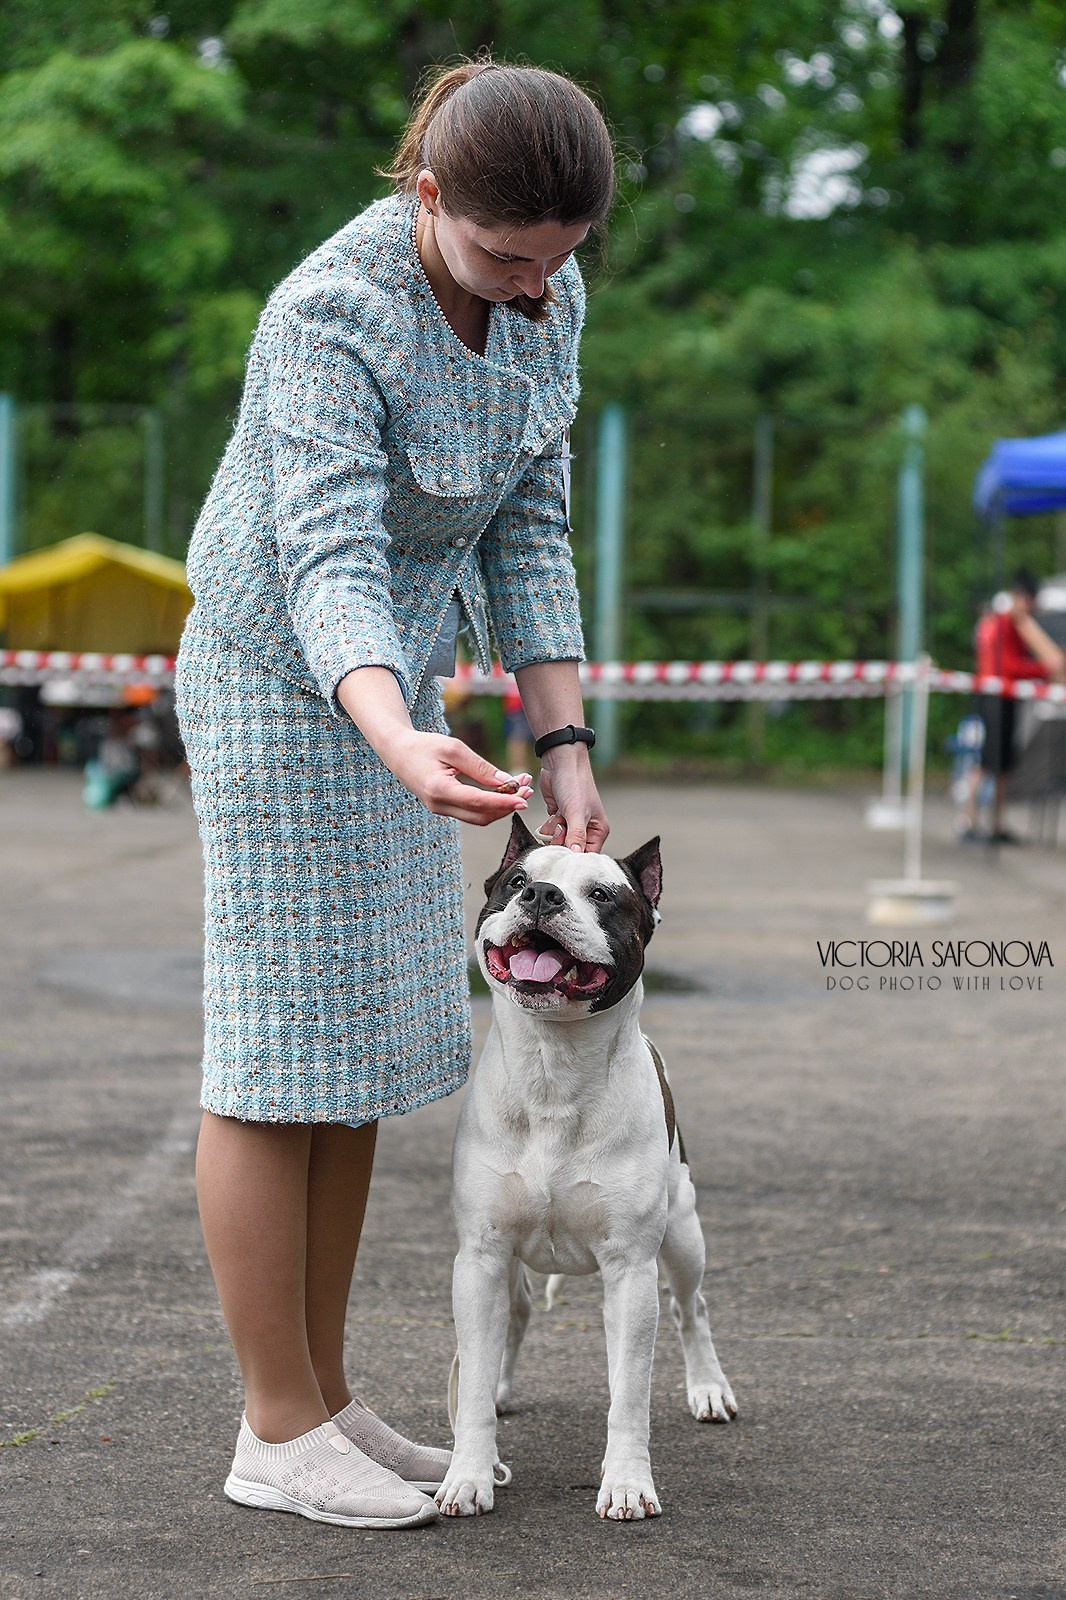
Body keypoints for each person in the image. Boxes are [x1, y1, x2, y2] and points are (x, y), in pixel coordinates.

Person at [174, 59, 613, 1530]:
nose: (535, 284)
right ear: (426, 195)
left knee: (360, 1045)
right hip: (282, 683)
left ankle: (327, 1393)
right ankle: (270, 1426)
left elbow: (528, 528)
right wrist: (397, 730)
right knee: (275, 1045)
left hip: (394, 705)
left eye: (559, 259)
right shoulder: (323, 316)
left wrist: (561, 745)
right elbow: (325, 556)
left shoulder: (544, 296)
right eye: (504, 254)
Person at [962, 570, 1066, 842]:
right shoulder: (1001, 623)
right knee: (986, 762)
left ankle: (996, 824)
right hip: (994, 699)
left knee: (1002, 766)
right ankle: (969, 822)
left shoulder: (1015, 623)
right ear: (1022, 597)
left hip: (1005, 699)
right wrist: (1044, 669)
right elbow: (1007, 666)